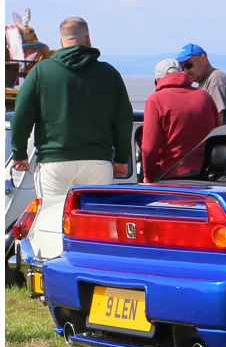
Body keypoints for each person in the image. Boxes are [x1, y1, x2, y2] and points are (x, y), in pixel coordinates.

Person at [9, 15, 133, 262]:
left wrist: (20, 152)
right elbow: (123, 119)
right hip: (98, 163)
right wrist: (120, 158)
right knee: (97, 222)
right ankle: (95, 268)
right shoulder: (108, 74)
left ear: (61, 40)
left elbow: (21, 115)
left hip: (55, 162)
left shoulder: (42, 72)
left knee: (50, 220)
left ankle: (52, 272)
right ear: (88, 38)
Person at [141, 57, 220, 182]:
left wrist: (149, 176)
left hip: (171, 176)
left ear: (158, 80)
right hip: (205, 175)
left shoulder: (156, 100)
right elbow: (217, 135)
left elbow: (149, 149)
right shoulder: (205, 97)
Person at [174, 42, 226, 125]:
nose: (186, 72)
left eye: (188, 65)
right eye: (182, 68)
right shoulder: (205, 81)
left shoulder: (216, 80)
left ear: (203, 58)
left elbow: (217, 120)